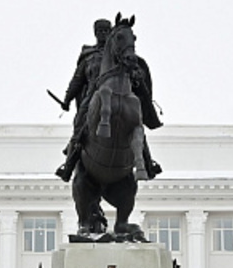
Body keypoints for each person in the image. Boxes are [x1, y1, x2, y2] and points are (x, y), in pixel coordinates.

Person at [55, 17, 162, 182]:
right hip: (93, 94)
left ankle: (147, 161)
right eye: (100, 31)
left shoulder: (120, 53)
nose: (103, 34)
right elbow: (77, 80)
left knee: (136, 124)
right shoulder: (88, 57)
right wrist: (67, 99)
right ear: (95, 33)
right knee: (79, 123)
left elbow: (135, 74)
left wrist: (136, 74)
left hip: (122, 94)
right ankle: (69, 163)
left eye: (106, 31)